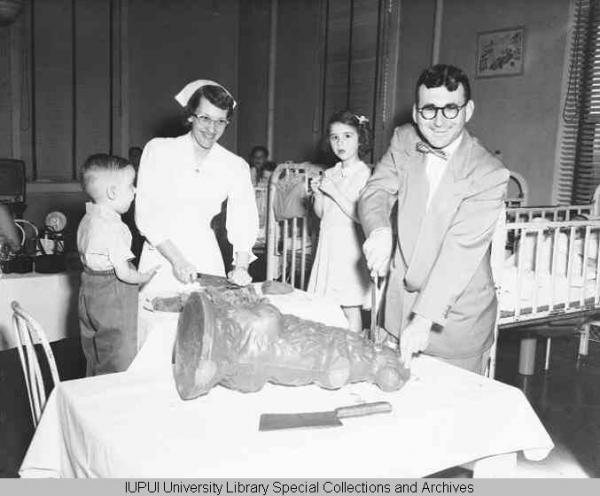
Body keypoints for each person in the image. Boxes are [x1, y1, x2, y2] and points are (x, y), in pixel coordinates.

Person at [359, 64, 509, 374]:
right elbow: (376, 190)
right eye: (430, 110)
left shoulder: (489, 173)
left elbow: (460, 252)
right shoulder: (403, 140)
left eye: (450, 109)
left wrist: (424, 318)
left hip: (454, 320)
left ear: (468, 111)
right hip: (399, 311)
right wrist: (379, 230)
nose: (439, 121)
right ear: (415, 112)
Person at [135, 79, 258, 297]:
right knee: (158, 324)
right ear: (191, 115)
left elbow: (244, 220)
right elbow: (146, 214)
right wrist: (177, 260)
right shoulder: (159, 151)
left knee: (208, 325)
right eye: (205, 118)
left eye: (221, 121)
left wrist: (241, 266)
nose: (212, 129)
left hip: (205, 256)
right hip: (161, 254)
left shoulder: (234, 165)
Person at [77, 154, 158, 376]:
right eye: (131, 185)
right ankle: (113, 395)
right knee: (119, 353)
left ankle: (92, 388)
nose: (135, 191)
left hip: (89, 289)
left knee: (94, 349)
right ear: (113, 192)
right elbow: (123, 273)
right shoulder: (113, 226)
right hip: (112, 294)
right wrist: (145, 277)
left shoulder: (88, 217)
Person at [307, 110, 372, 333]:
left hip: (348, 249)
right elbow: (321, 213)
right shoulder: (331, 173)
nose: (340, 142)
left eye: (347, 136)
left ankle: (354, 352)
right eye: (335, 137)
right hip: (329, 246)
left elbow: (359, 214)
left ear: (360, 139)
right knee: (328, 305)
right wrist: (318, 194)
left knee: (349, 307)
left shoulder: (363, 174)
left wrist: (333, 191)